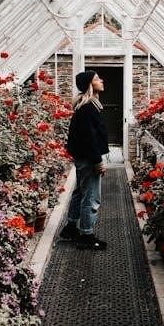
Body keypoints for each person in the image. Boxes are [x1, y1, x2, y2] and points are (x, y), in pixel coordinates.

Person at [59, 70, 109, 250]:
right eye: (97, 79)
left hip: (82, 157)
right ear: (89, 85)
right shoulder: (88, 108)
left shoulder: (85, 106)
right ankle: (86, 235)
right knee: (92, 197)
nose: (101, 80)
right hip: (88, 158)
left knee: (80, 192)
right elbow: (90, 138)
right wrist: (98, 161)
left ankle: (71, 227)